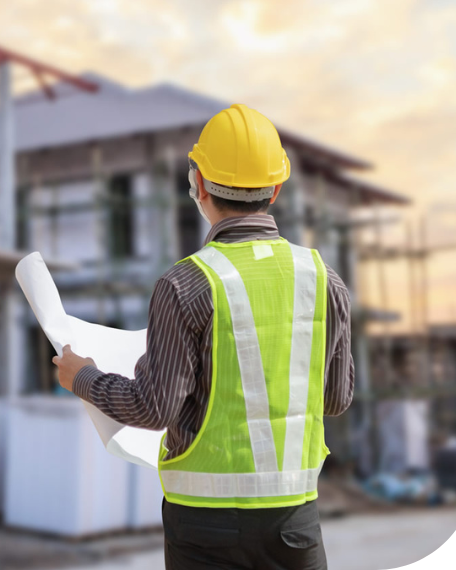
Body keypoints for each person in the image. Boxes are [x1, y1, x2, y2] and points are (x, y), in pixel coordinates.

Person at [53, 103, 353, 570]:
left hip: (205, 530)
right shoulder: (323, 280)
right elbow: (335, 399)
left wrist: (84, 377)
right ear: (276, 188)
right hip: (294, 523)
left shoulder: (185, 284)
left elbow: (153, 409)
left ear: (197, 184)